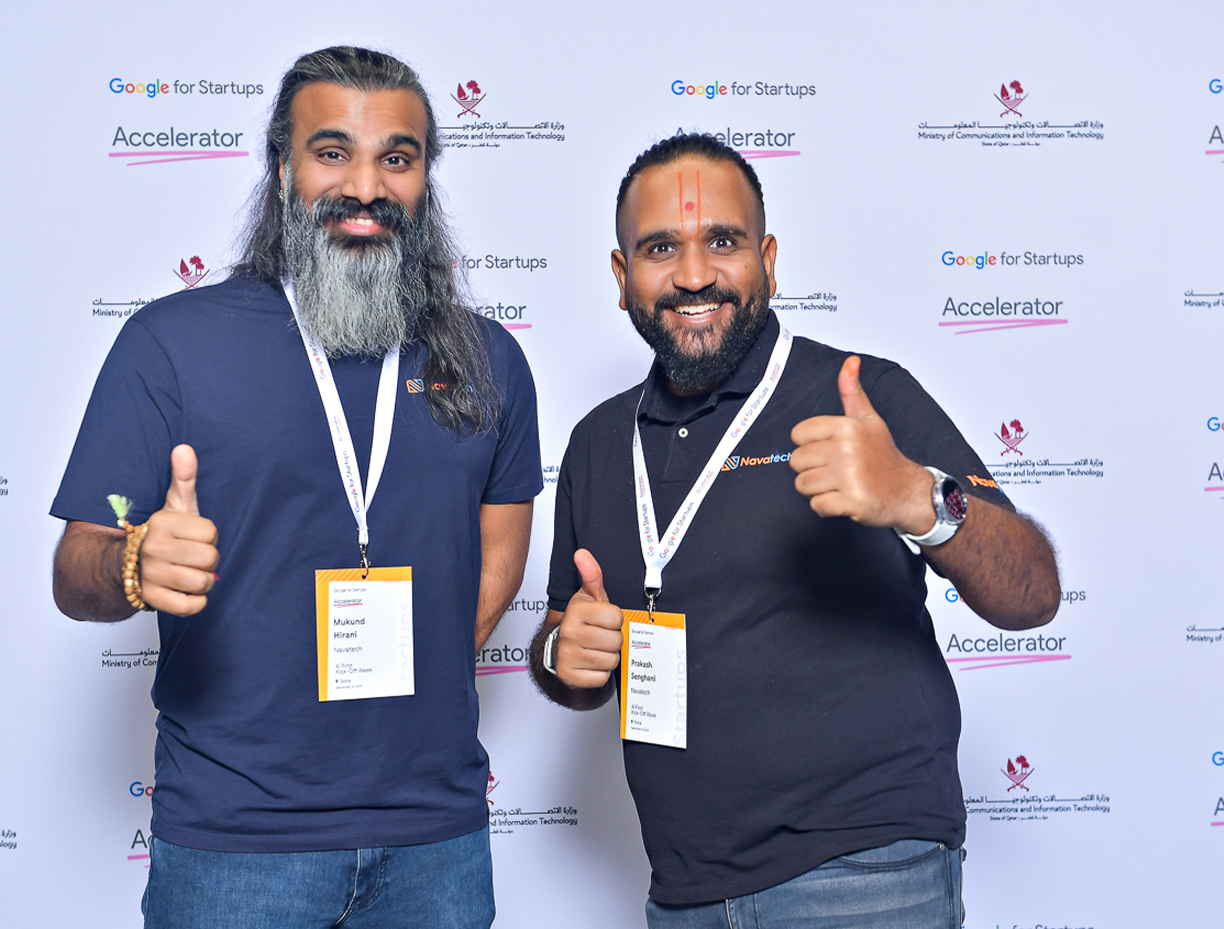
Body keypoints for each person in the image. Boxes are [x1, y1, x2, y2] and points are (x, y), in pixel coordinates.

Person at [51, 47, 541, 928]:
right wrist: (131, 559)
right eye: (331, 152)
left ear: (425, 178)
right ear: (282, 168)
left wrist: (419, 669)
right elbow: (75, 563)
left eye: (397, 156)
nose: (366, 185)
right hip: (233, 848)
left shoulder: (488, 358)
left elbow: (499, 556)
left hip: (438, 844)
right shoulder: (171, 345)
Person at [529, 133, 1060, 928]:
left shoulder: (862, 396)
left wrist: (918, 497)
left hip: (865, 875)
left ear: (768, 260)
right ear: (622, 276)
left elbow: (1034, 591)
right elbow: (567, 640)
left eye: (724, 241)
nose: (695, 274)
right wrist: (557, 654)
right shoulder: (598, 443)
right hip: (682, 889)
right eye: (661, 247)